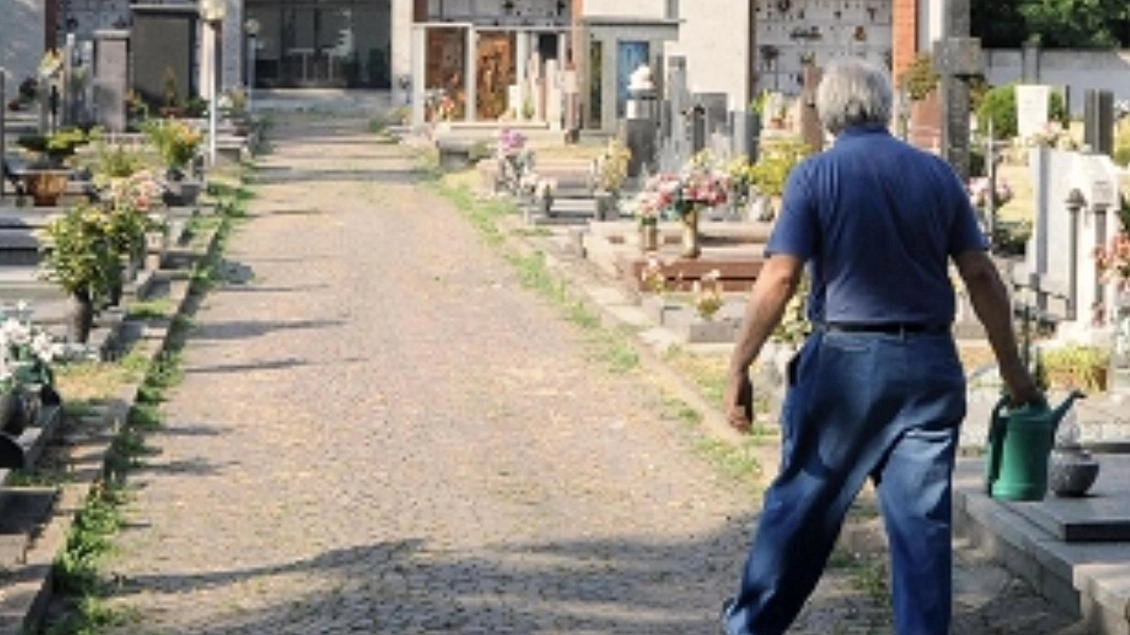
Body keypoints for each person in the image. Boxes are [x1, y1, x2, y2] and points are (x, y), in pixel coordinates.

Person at [720, 58, 1040, 635]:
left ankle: (751, 627)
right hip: (927, 366)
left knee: (799, 511)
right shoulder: (937, 176)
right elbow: (982, 277)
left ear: (830, 111)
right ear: (884, 106)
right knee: (922, 531)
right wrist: (1015, 374)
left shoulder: (815, 177)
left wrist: (739, 362)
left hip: (845, 365)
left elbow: (780, 277)